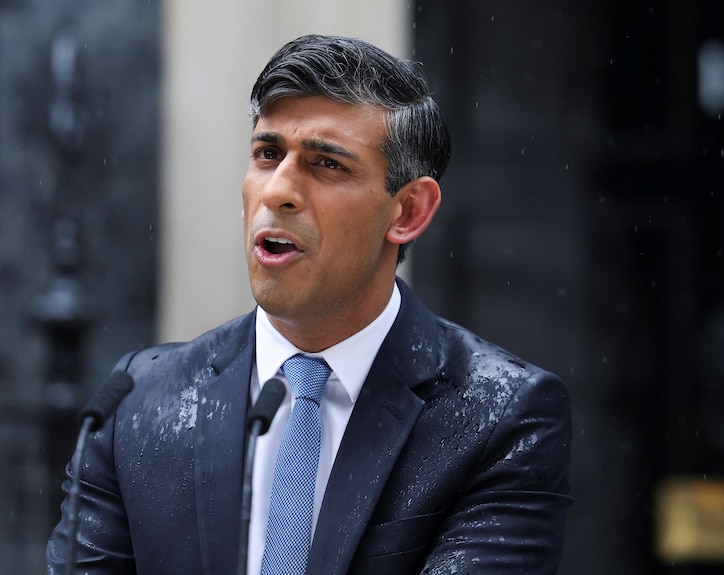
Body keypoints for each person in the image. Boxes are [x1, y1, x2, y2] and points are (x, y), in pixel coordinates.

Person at [45, 34, 572, 575]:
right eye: (267, 154)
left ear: (409, 211)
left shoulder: (502, 414)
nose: (277, 191)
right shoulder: (136, 402)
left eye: (326, 164)